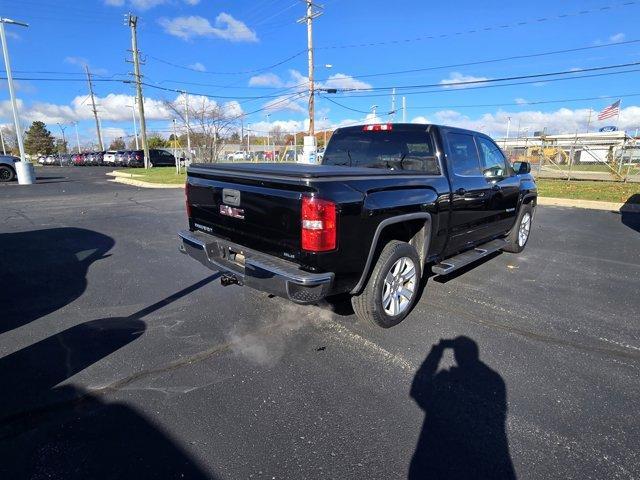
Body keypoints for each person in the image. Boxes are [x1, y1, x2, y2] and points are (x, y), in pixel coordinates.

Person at [408, 336, 516, 480]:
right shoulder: (495, 380)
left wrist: (437, 350)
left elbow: (418, 390)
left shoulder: (447, 379)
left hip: (436, 460)